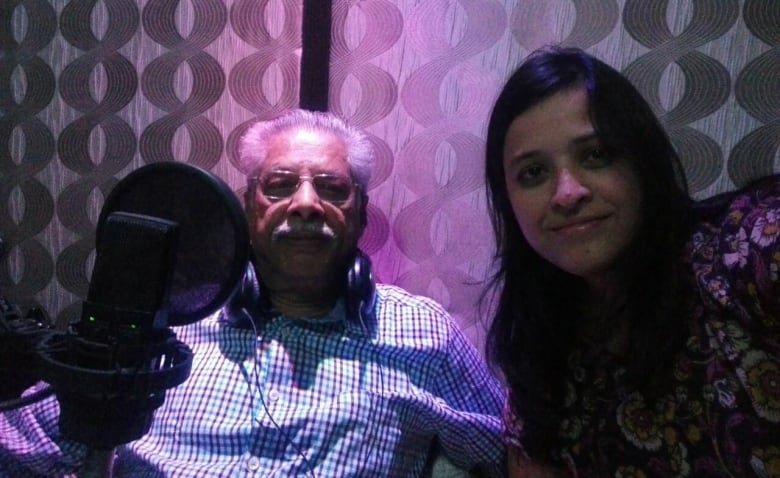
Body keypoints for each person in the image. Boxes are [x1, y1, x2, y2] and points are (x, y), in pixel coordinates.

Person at [0, 109, 505, 477]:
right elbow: (27, 441)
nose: (305, 204)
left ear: (359, 214)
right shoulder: (170, 318)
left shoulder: (423, 334)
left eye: (331, 188)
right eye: (281, 185)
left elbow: (509, 454)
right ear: (247, 208)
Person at [483, 46, 780, 477]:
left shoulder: (741, 255)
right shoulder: (541, 355)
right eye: (533, 173)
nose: (567, 193)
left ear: (642, 162)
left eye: (595, 154)